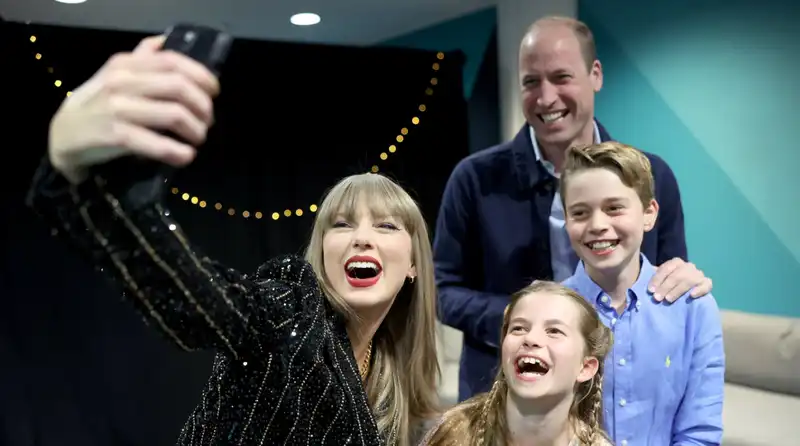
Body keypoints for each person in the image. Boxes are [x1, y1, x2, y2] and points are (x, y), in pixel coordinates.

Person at [26, 35, 441, 446]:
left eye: (386, 226)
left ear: (413, 265)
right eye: (342, 225)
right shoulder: (292, 312)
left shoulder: (387, 371)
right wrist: (76, 174)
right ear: (320, 249)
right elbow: (194, 299)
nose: (361, 239)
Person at [433, 15, 714, 402]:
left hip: (622, 396)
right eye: (531, 82)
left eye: (561, 77)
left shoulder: (654, 176)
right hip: (502, 395)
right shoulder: (473, 179)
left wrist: (686, 280)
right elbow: (442, 289)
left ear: (595, 74)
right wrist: (523, 320)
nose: (546, 98)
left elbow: (667, 281)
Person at [561, 142, 725, 445]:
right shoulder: (548, 311)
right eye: (580, 212)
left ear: (649, 213)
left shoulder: (693, 309)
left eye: (614, 208)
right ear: (566, 220)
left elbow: (699, 432)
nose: (597, 225)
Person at [420, 281, 614, 446]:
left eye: (554, 331)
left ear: (586, 367)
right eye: (519, 328)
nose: (530, 338)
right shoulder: (455, 433)